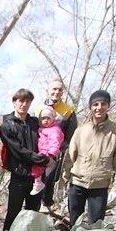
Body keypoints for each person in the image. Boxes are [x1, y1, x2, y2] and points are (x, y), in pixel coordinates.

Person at [62, 89, 116, 226]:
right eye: (95, 104)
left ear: (108, 106)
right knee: (74, 224)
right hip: (77, 184)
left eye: (103, 104)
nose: (99, 108)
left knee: (96, 227)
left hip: (100, 185)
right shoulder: (81, 130)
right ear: (90, 107)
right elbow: (69, 158)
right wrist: (62, 184)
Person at [0, 88, 50, 231]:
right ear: (14, 102)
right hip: (19, 176)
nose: (24, 104)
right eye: (21, 101)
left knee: (33, 216)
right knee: (13, 214)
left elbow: (51, 134)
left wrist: (52, 156)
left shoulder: (35, 123)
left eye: (27, 101)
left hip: (37, 177)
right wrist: (43, 160)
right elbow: (18, 151)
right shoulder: (6, 126)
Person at [37, 79, 78, 207]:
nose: (57, 92)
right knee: (36, 178)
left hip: (55, 152)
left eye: (60, 89)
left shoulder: (68, 111)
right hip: (38, 150)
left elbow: (71, 134)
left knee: (49, 179)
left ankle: (47, 206)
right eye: (54, 89)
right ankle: (34, 206)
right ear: (48, 91)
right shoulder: (38, 108)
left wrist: (59, 150)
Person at [30, 106, 63, 195]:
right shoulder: (43, 129)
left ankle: (38, 184)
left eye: (48, 118)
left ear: (52, 119)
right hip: (42, 151)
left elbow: (55, 142)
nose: (46, 120)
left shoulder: (54, 130)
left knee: (37, 168)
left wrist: (51, 153)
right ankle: (38, 183)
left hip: (47, 153)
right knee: (37, 168)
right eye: (43, 118)